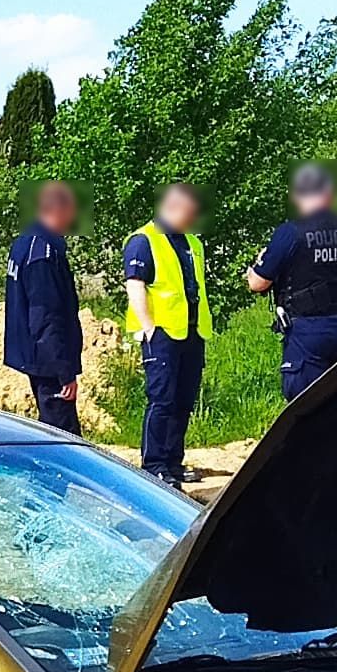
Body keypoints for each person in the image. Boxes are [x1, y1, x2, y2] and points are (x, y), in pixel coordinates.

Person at [247, 163, 337, 399]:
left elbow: (258, 283)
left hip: (307, 330)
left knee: (304, 405)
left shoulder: (291, 231)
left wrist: (254, 266)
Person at [121, 183, 210, 486]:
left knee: (184, 400)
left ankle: (174, 461)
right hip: (162, 334)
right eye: (189, 213)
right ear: (173, 207)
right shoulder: (143, 241)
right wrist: (148, 328)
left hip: (192, 331)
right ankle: (154, 464)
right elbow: (135, 286)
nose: (192, 219)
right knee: (162, 400)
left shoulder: (192, 243)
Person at [2, 181, 85, 432]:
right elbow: (46, 316)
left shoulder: (25, 242)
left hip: (35, 355)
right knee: (64, 437)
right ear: (59, 210)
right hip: (47, 360)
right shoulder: (43, 253)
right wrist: (64, 373)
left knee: (54, 428)